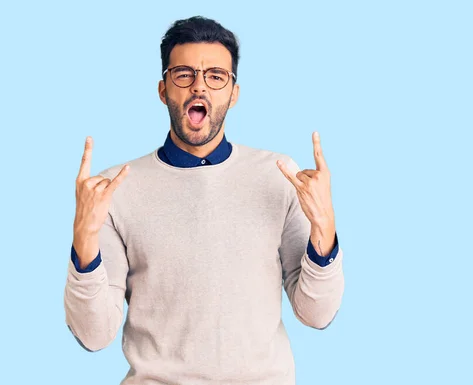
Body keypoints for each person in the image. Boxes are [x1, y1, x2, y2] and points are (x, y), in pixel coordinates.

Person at [63, 16, 344, 385]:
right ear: (163, 89)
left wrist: (324, 227)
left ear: (233, 93)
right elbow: (94, 335)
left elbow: (316, 314)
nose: (200, 87)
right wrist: (83, 238)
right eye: (184, 74)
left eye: (215, 76)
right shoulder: (113, 190)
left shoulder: (280, 175)